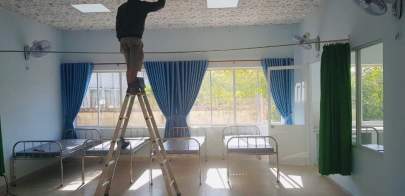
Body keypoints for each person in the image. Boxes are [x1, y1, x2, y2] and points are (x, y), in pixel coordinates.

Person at [116, 0, 166, 94]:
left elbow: (118, 25)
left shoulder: (121, 8)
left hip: (124, 40)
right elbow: (159, 5)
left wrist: (120, 38)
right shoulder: (141, 5)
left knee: (130, 66)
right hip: (134, 40)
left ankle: (130, 87)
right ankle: (132, 87)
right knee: (135, 65)